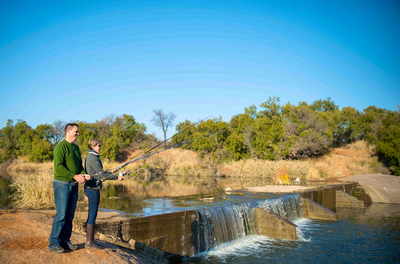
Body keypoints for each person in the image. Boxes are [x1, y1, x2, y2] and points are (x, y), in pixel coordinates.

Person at [48, 123, 90, 253]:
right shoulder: (60, 146)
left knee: (70, 215)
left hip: (73, 185)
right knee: (61, 214)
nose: (78, 134)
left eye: (78, 132)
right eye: (76, 132)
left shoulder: (76, 148)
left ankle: (65, 241)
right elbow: (59, 167)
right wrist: (74, 176)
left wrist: (83, 175)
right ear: (68, 131)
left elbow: (79, 166)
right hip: (62, 184)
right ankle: (54, 243)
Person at [84, 138, 124, 249]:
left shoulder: (91, 157)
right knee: (93, 214)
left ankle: (89, 240)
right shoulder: (93, 158)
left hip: (91, 188)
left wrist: (108, 173)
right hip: (93, 189)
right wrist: (117, 177)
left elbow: (98, 173)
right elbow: (101, 176)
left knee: (92, 213)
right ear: (92, 146)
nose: (100, 147)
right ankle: (89, 242)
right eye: (98, 145)